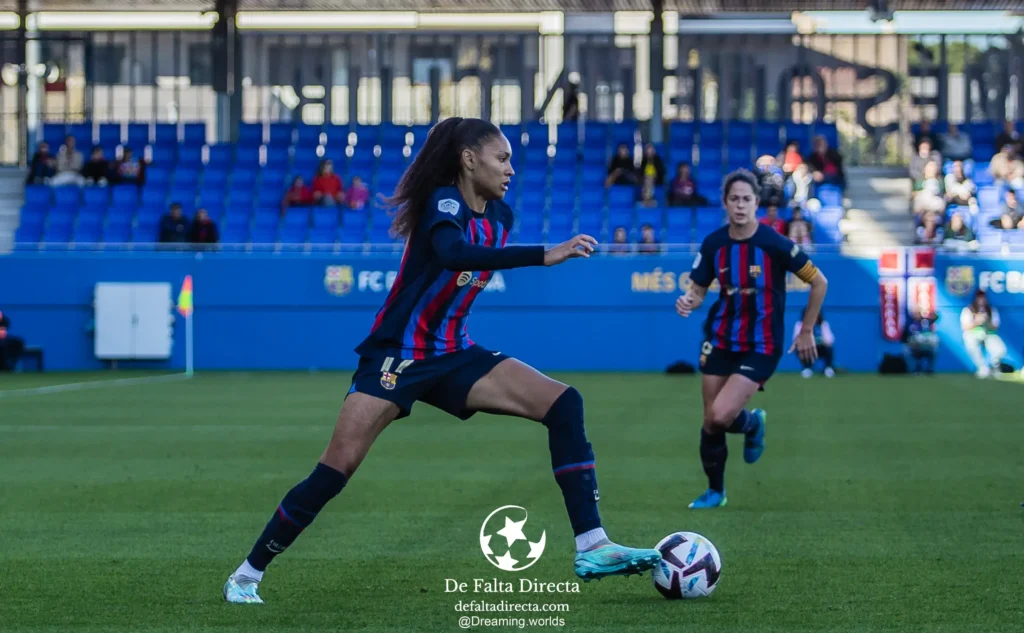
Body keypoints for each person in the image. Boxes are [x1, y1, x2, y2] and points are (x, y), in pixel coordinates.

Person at [223, 117, 662, 604]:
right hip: (398, 358)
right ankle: (247, 573)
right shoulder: (443, 202)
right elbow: (453, 254)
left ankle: (592, 545)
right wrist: (544, 254)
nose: (511, 169)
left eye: (511, 160)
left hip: (454, 353)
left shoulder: (501, 217)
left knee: (564, 403)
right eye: (502, 158)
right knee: (336, 469)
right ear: (468, 159)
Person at [674, 169, 828, 509]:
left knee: (720, 416)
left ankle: (752, 422)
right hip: (720, 338)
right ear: (725, 203)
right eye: (734, 199)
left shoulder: (775, 243)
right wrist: (689, 301)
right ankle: (716, 491)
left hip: (762, 343)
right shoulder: (714, 244)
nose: (740, 205)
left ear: (757, 203)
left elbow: (819, 282)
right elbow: (698, 291)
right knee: (710, 420)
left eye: (747, 199)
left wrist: (805, 331)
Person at [961, 289, 1006, 379]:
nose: (981, 300)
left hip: (988, 333)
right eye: (979, 298)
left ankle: (995, 367)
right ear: (976, 299)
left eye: (983, 298)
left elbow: (995, 326)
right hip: (974, 334)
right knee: (969, 341)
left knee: (1000, 349)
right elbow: (965, 327)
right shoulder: (969, 309)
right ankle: (982, 368)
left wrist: (986, 321)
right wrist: (977, 321)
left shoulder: (991, 310)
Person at [793, 308, 835, 378]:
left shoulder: (823, 325)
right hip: (807, 348)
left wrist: (820, 341)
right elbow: (796, 340)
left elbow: (830, 340)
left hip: (820, 349)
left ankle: (828, 368)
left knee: (829, 348)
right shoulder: (800, 325)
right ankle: (807, 368)